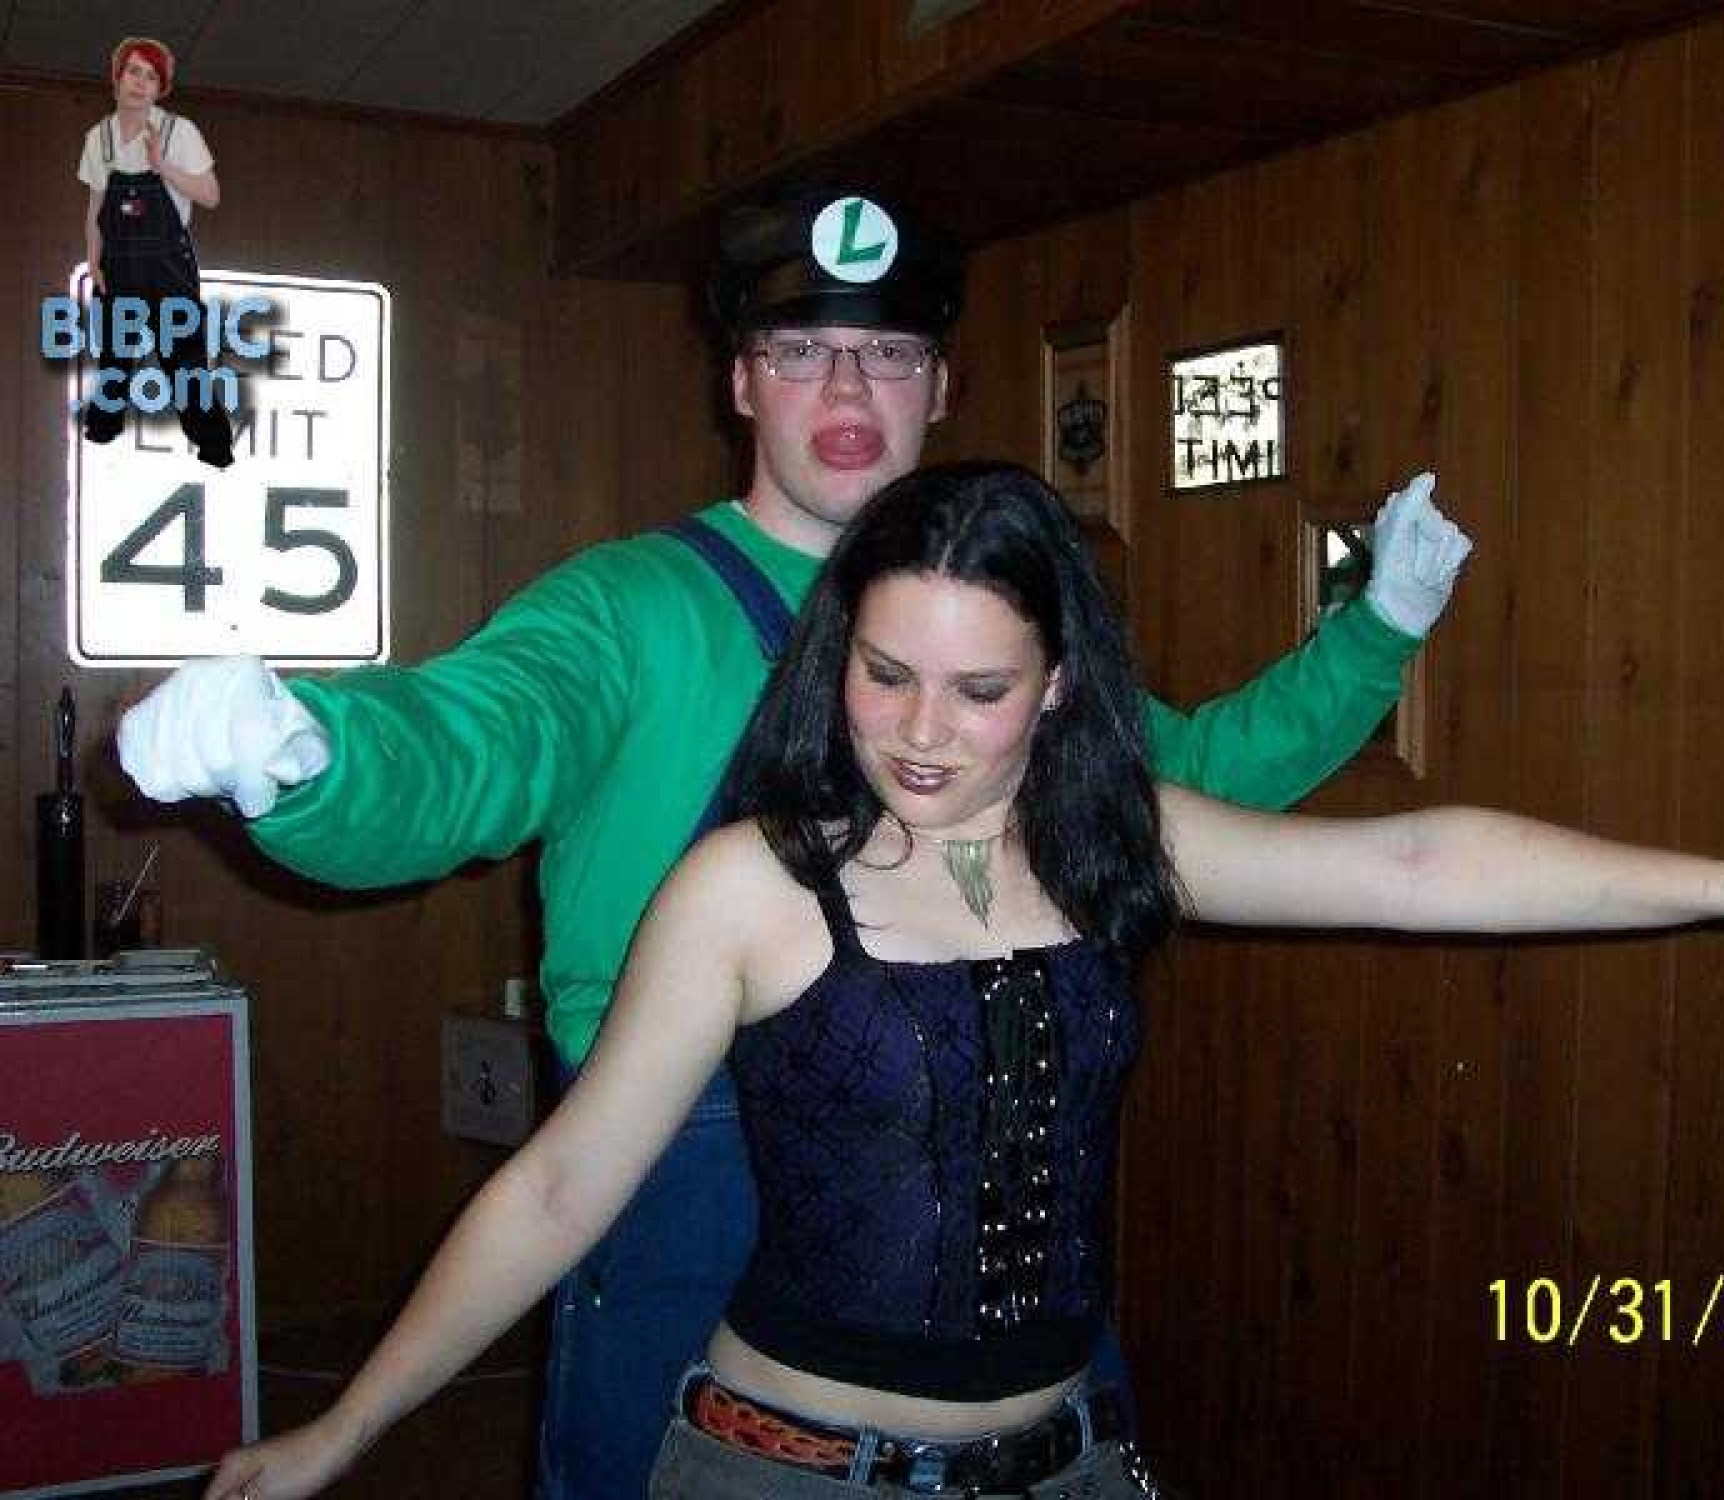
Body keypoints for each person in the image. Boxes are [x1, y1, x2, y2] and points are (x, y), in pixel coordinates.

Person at [199, 461, 1724, 1500]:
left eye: (981, 690)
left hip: (1070, 1461)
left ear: (1060, 686)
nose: (922, 734)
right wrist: (349, 1430)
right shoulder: (752, 887)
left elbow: (1415, 866)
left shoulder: (1109, 844)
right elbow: (563, 1187)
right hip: (790, 1476)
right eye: (884, 675)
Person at [119, 187, 1468, 1497]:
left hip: (977, 1202)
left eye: (889, 353)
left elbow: (1187, 783)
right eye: (802, 349)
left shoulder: (995, 623)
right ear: (742, 382)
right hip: (673, 1176)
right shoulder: (627, 610)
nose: (847, 387)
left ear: (939, 388)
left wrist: (1377, 629)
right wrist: (309, 755)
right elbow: (472, 740)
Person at [78, 36, 234, 468]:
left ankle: (214, 445)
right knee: (113, 352)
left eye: (151, 76)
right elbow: (95, 207)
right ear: (118, 77)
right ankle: (103, 428)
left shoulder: (179, 131)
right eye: (134, 71)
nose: (140, 82)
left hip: (168, 265)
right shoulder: (98, 138)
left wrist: (162, 165)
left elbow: (210, 195)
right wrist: (93, 258)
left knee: (184, 361)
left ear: (160, 87)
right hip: (117, 262)